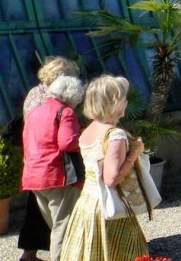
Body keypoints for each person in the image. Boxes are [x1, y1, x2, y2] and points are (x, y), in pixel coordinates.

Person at [60, 76, 148, 261]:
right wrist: (135, 152)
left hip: (87, 202)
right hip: (108, 206)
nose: (126, 102)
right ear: (114, 102)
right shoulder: (115, 134)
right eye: (123, 98)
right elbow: (111, 179)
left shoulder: (88, 130)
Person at [19, 56, 80, 261]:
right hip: (54, 173)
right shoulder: (64, 110)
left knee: (53, 224)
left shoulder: (35, 105)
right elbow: (66, 142)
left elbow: (29, 137)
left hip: (33, 172)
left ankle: (31, 255)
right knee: (61, 227)